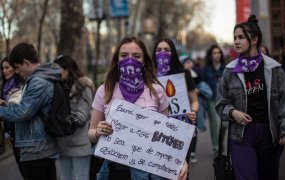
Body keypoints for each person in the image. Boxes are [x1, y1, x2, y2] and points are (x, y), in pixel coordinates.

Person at [88, 35, 188, 180]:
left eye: (136, 56)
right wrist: (97, 132)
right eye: (124, 56)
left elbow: (167, 135)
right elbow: (90, 134)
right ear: (116, 60)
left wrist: (180, 161)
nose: (130, 60)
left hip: (149, 171)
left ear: (144, 61)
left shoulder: (157, 91)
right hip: (115, 171)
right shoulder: (104, 91)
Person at [215, 15, 285, 180]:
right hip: (241, 136)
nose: (236, 41)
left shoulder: (274, 69)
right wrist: (233, 113)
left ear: (254, 40)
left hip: (269, 134)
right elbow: (220, 103)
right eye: (235, 38)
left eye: (241, 37)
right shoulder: (229, 71)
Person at [0, 42, 60, 180]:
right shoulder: (40, 78)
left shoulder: (38, 81)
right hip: (38, 146)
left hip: (36, 148)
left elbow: (23, 112)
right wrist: (6, 107)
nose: (17, 71)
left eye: (17, 67)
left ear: (26, 62)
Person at [152, 38, 198, 179]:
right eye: (159, 50)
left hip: (182, 127)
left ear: (173, 53)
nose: (162, 53)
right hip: (157, 130)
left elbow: (194, 101)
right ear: (154, 54)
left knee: (181, 172)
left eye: (167, 50)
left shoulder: (184, 74)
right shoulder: (149, 76)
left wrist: (193, 112)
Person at [54, 55, 95, 180]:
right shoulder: (59, 85)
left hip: (79, 145)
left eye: (57, 69)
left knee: (80, 177)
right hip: (62, 144)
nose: (55, 72)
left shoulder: (83, 86)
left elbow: (82, 117)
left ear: (67, 69)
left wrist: (60, 117)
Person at [0, 57, 25, 177]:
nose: (4, 71)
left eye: (7, 67)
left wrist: (4, 104)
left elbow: (20, 110)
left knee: (27, 166)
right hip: (10, 132)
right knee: (20, 165)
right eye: (3, 68)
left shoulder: (21, 85)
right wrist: (6, 132)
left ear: (14, 69)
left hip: (22, 131)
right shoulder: (3, 86)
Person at [202, 44, 226, 155]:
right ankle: (217, 148)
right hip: (211, 99)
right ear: (211, 56)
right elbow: (201, 83)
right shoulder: (206, 69)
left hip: (224, 99)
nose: (217, 55)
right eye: (214, 53)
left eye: (218, 53)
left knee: (225, 124)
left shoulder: (226, 68)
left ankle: (220, 142)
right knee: (214, 125)